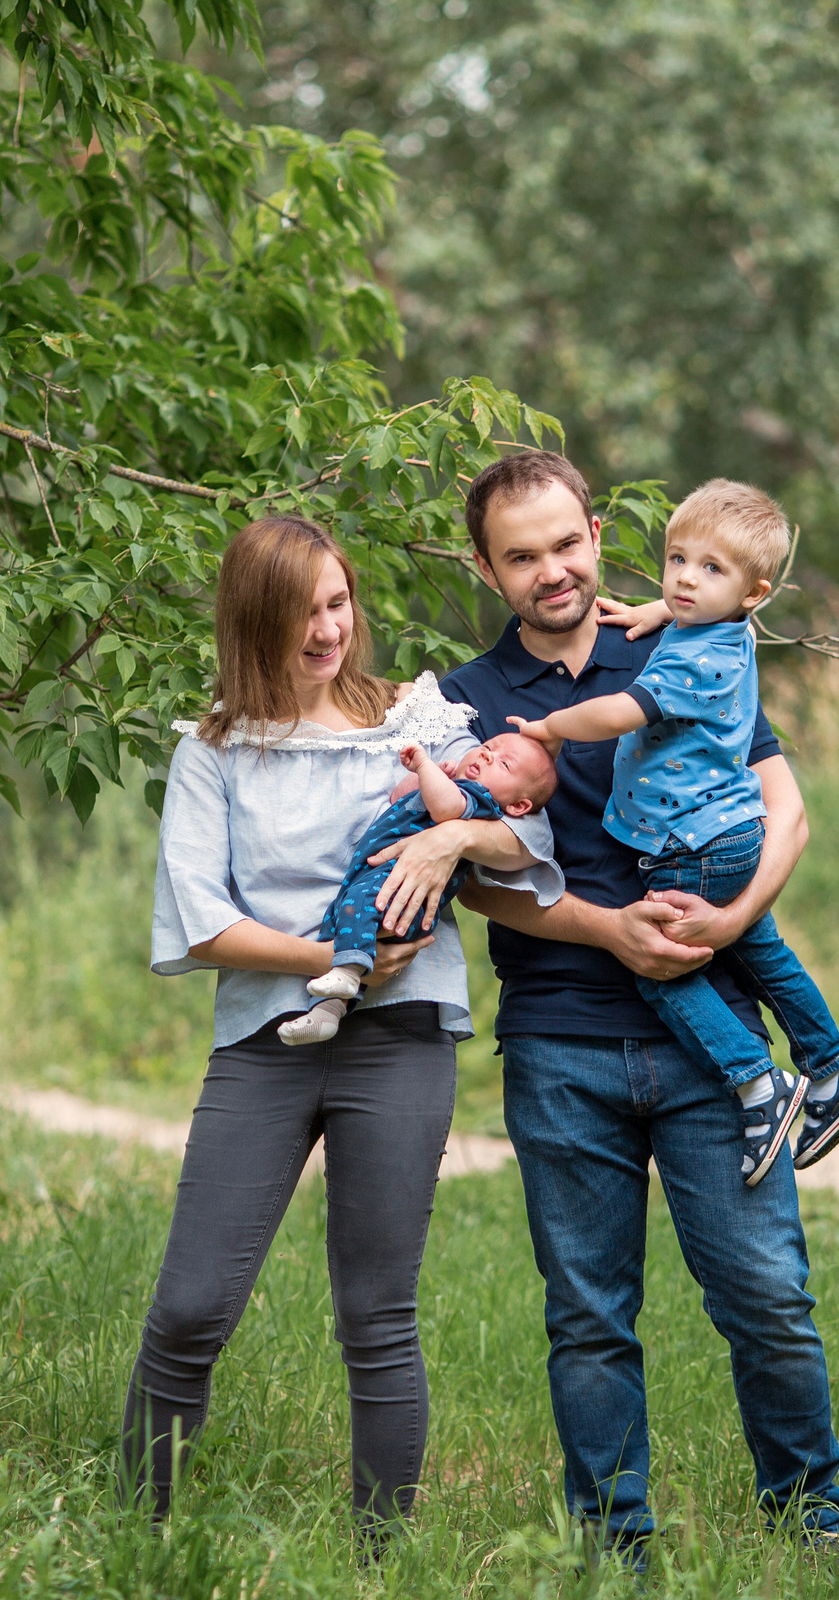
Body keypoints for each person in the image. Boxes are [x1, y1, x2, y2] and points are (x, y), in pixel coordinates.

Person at [440, 449, 839, 1561]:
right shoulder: (465, 701)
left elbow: (786, 812)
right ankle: (615, 1548)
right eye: (520, 556)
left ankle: (810, 1522)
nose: (552, 571)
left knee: (765, 1294)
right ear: (487, 568)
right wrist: (608, 930)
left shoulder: (682, 641)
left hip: (714, 1042)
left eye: (567, 543)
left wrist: (728, 925)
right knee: (588, 1318)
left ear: (593, 532)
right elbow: (474, 880)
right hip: (562, 1042)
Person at [125, 514, 562, 1539]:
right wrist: (331, 960)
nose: (327, 631)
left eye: (337, 602)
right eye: (299, 613)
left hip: (400, 1036)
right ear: (251, 622)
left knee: (376, 1314)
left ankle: (381, 1558)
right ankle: (131, 1536)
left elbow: (525, 829)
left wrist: (452, 834)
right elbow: (203, 922)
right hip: (263, 1043)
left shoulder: (416, 714)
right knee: (190, 1307)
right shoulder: (212, 750)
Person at [506, 479, 839, 1183]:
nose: (683, 579)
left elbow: (620, 711)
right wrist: (660, 607)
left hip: (689, 844)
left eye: (710, 570)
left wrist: (552, 727)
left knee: (663, 968)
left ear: (754, 593)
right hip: (734, 830)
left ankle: (756, 1082)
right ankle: (833, 1069)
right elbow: (698, 604)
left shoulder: (687, 660)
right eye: (676, 560)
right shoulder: (720, 629)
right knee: (763, 952)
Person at [279, 735, 557, 1044]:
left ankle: (347, 973)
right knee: (336, 925)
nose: (487, 757)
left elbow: (446, 810)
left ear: (518, 806)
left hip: (399, 889)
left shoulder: (479, 801)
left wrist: (426, 766)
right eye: (487, 748)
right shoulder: (451, 786)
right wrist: (429, 775)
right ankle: (325, 1014)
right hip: (373, 880)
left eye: (504, 764)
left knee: (352, 913)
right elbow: (400, 796)